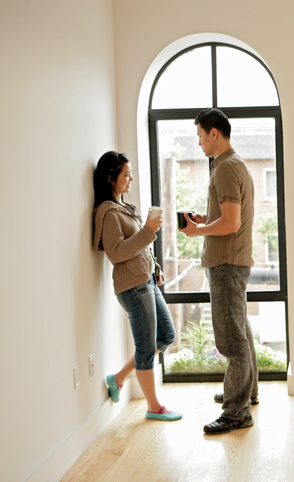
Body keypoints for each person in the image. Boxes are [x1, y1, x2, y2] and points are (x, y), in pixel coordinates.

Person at [180, 108, 258, 435]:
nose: (198, 143)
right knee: (241, 329)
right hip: (232, 260)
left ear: (214, 133)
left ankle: (236, 411)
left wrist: (198, 232)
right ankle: (245, 391)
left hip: (226, 263)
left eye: (200, 136)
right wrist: (204, 219)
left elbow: (231, 223)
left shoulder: (225, 168)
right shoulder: (234, 164)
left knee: (231, 340)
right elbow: (225, 217)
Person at [92, 151, 182, 422]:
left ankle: (118, 378)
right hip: (132, 287)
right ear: (111, 178)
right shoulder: (107, 213)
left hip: (146, 281)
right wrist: (148, 230)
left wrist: (155, 268)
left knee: (165, 336)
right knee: (145, 349)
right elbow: (117, 253)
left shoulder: (123, 208)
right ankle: (154, 407)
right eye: (126, 174)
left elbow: (139, 248)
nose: (130, 178)